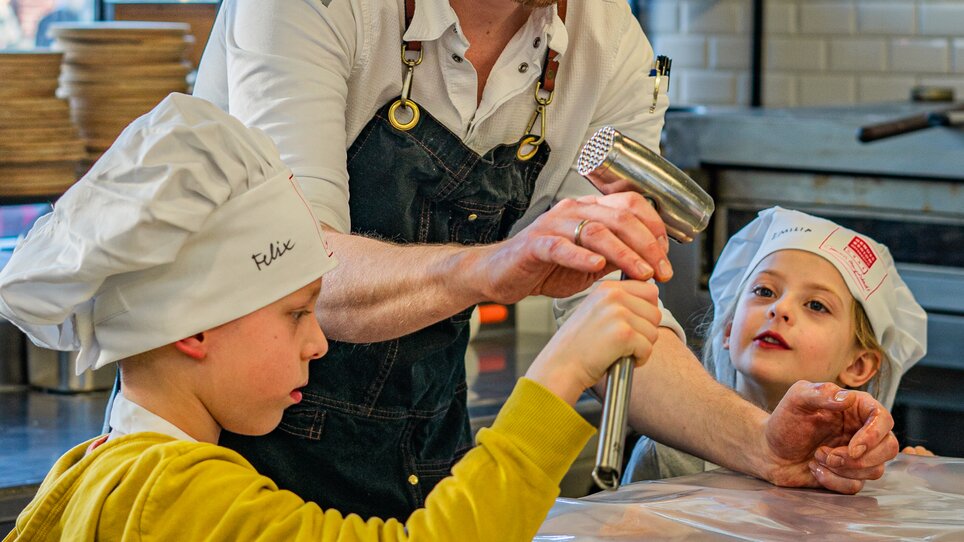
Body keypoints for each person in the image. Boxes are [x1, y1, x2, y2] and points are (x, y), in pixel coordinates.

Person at [193, 0, 900, 519]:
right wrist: (493, 266)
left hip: (423, 470)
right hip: (227, 459)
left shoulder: (609, 49)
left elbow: (614, 325)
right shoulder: (308, 8)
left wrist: (768, 445)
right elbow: (294, 269)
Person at [0, 93, 667, 541]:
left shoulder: (98, 469)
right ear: (193, 330)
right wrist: (561, 372)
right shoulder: (172, 495)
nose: (318, 343)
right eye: (294, 314)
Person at [623, 207, 931, 483]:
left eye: (815, 305)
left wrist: (916, 496)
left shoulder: (859, 470)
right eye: (764, 291)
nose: (780, 309)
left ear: (858, 365)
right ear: (729, 330)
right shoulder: (671, 456)